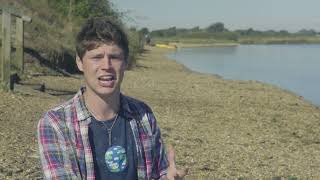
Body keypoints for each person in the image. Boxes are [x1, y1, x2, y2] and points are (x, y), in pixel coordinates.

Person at [37, 17, 187, 180]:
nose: (106, 66)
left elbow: (159, 174)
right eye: (96, 57)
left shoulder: (143, 115)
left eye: (114, 57)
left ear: (125, 62)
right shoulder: (56, 123)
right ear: (80, 62)